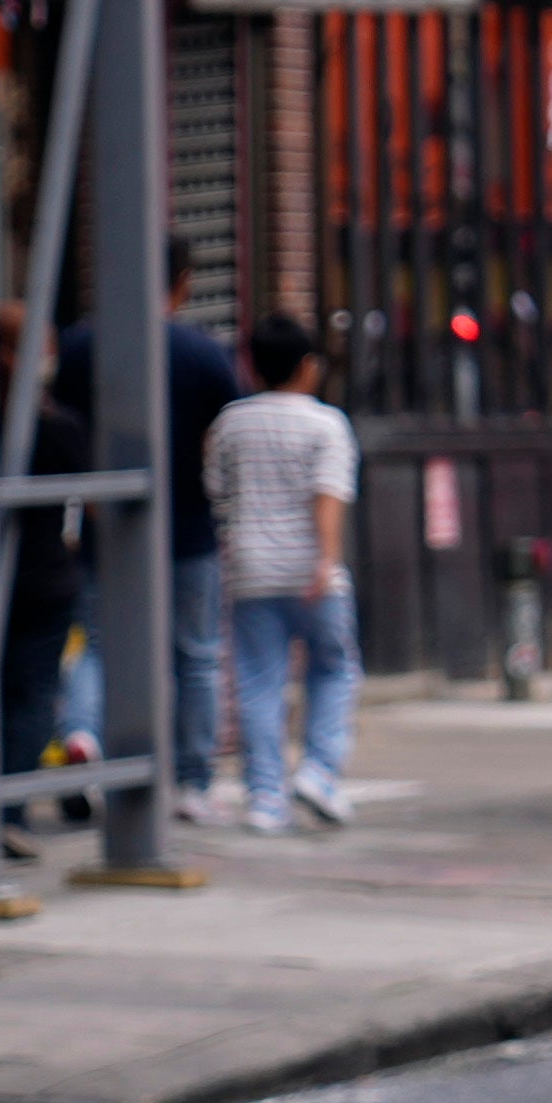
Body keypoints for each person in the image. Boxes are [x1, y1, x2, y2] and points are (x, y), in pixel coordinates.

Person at [62, 235, 236, 808]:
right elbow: (224, 440)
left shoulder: (81, 346)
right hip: (187, 529)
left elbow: (62, 427)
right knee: (196, 657)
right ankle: (192, 781)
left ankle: (84, 737)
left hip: (103, 524)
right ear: (183, 283)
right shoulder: (204, 354)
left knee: (98, 645)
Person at [205, 310, 361, 834]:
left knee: (258, 683)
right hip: (311, 571)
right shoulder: (327, 424)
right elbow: (328, 496)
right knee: (334, 669)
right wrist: (326, 559)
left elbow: (218, 492)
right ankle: (319, 770)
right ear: (308, 366)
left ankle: (266, 798)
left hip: (249, 569)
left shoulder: (231, 422)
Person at [0, 307, 94, 858]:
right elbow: (92, 505)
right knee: (30, 700)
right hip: (44, 585)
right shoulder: (56, 426)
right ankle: (8, 811)